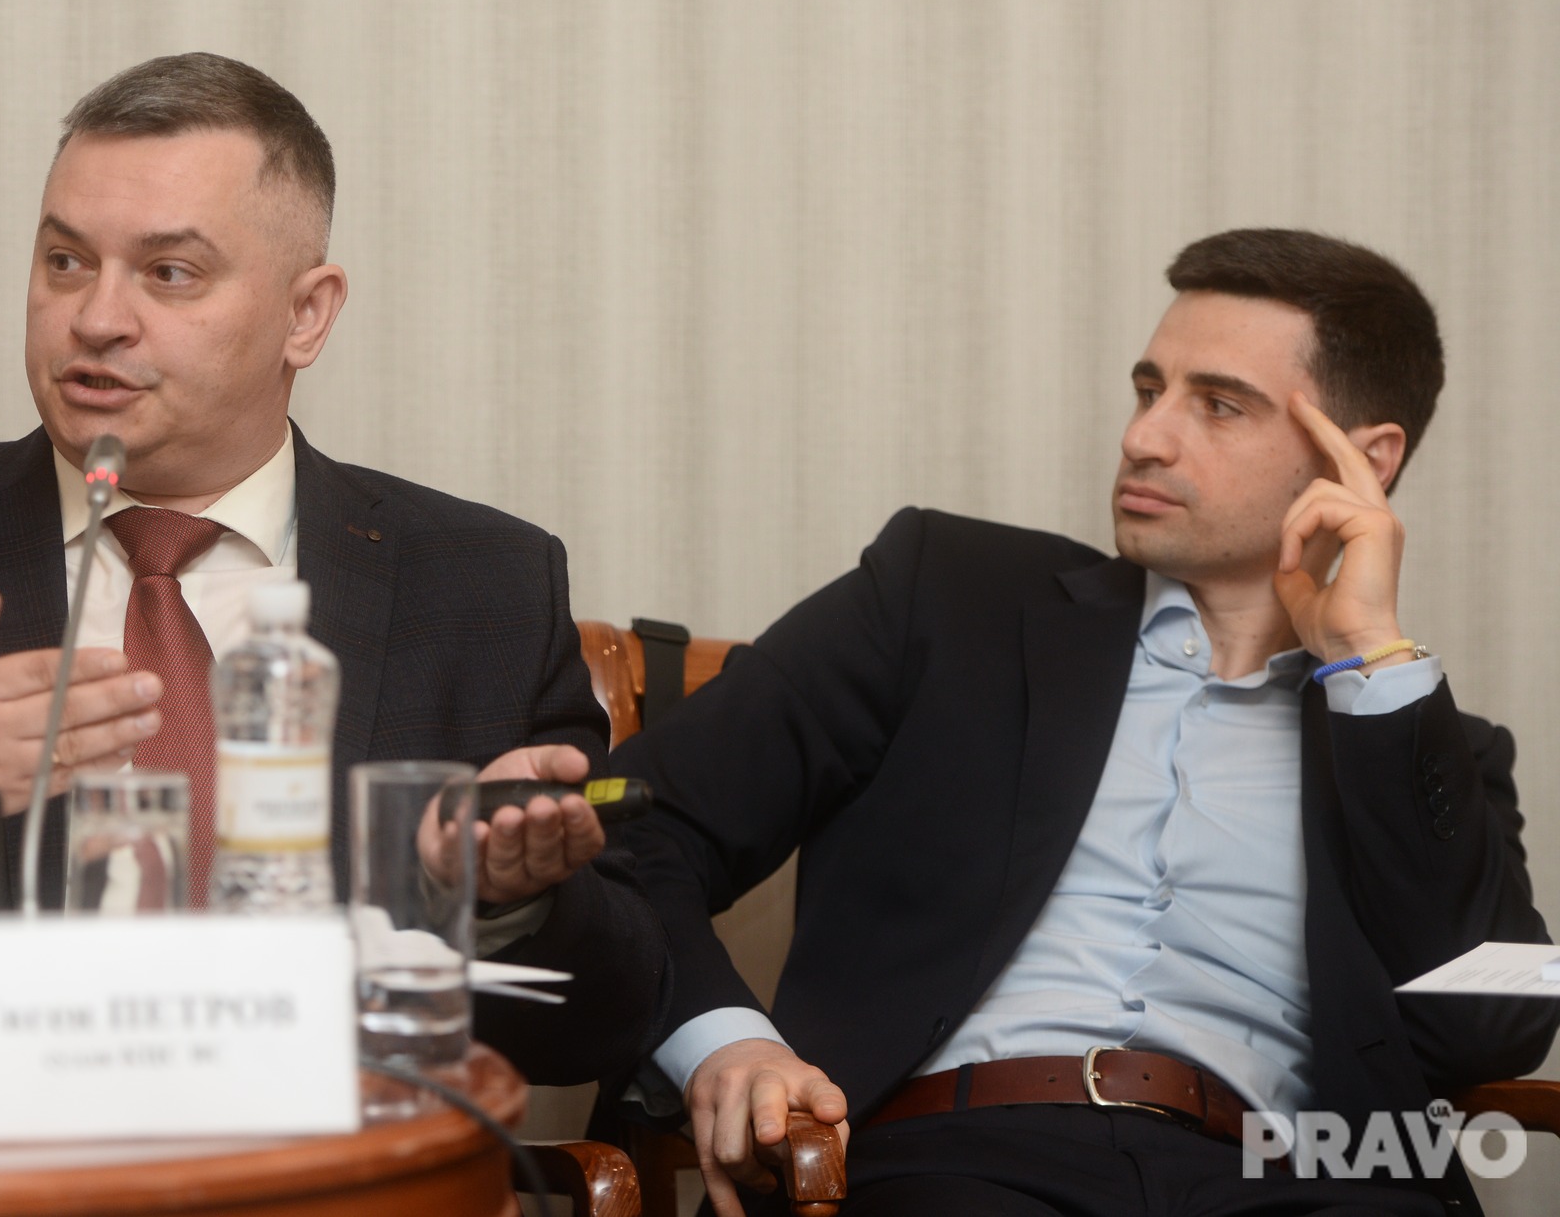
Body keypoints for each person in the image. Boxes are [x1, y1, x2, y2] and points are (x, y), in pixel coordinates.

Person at [0, 52, 666, 1085]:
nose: (95, 318)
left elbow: (612, 1023)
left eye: (169, 273)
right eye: (65, 261)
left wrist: (502, 892)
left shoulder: (482, 583)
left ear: (305, 314)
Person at [610, 229, 1557, 1215]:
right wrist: (727, 1045)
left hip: (1289, 1183)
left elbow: (1493, 1025)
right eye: (1149, 389)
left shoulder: (1430, 743)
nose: (1145, 436)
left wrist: (1371, 659)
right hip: (953, 1161)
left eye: (1218, 404)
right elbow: (633, 824)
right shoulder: (946, 594)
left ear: (1361, 459)